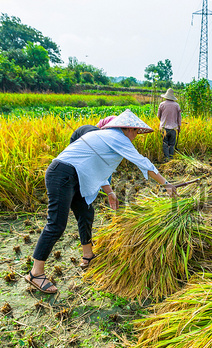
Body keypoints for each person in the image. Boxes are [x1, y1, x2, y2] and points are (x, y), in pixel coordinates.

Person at [25, 109, 178, 294]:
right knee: (56, 224)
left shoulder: (106, 137)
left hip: (75, 175)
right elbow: (142, 162)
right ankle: (35, 273)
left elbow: (96, 168)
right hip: (62, 174)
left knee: (86, 213)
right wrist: (166, 184)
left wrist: (110, 192)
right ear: (128, 128)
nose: (136, 136)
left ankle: (88, 256)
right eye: (136, 132)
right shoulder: (117, 137)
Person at [158, 88, 182, 160]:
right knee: (172, 144)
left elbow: (158, 116)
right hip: (173, 128)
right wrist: (179, 127)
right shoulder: (176, 105)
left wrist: (162, 121)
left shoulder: (162, 104)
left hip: (164, 128)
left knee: (165, 144)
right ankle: (171, 158)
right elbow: (179, 118)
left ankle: (166, 158)